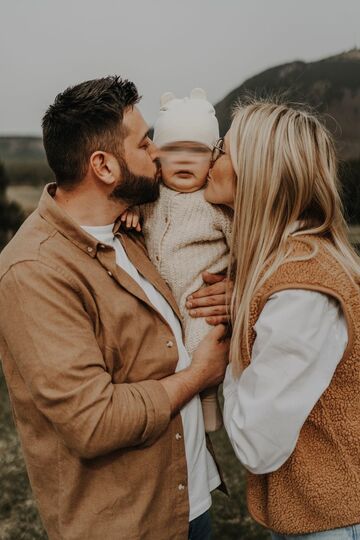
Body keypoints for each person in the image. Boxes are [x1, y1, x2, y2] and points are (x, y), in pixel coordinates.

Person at [0, 76, 230, 540]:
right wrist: (199, 376)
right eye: (146, 144)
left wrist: (231, 291)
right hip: (128, 523)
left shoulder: (131, 228)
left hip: (189, 497)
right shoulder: (34, 270)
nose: (158, 154)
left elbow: (194, 263)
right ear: (104, 166)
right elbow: (95, 420)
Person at [202, 99, 360, 539]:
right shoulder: (287, 266)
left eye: (223, 149)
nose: (210, 159)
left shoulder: (302, 291)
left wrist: (224, 354)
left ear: (258, 172)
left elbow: (256, 442)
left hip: (333, 524)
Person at [122, 88, 233, 432]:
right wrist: (129, 214)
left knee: (204, 342)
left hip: (200, 301)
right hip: (162, 301)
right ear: (157, 155)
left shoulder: (216, 205)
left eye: (197, 152)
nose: (184, 160)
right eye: (173, 151)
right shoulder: (149, 197)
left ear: (213, 159)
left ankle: (209, 401)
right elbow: (129, 211)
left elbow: (245, 247)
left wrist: (239, 283)